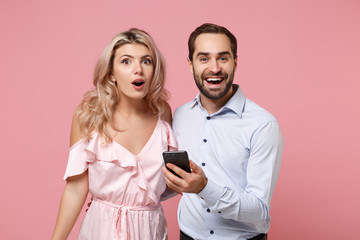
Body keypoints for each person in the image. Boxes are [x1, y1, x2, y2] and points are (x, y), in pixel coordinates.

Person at [52, 28, 177, 240]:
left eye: (146, 61)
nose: (138, 69)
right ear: (111, 72)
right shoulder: (88, 115)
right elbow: (75, 189)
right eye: (126, 61)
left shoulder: (162, 112)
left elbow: (166, 180)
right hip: (102, 229)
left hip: (151, 230)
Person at [162, 23, 283, 240]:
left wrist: (205, 188)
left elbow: (259, 211)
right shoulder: (180, 116)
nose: (215, 68)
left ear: (235, 62)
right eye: (204, 58)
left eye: (223, 58)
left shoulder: (263, 125)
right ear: (190, 64)